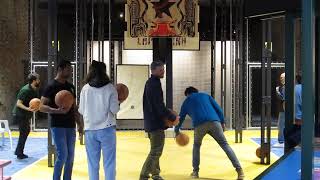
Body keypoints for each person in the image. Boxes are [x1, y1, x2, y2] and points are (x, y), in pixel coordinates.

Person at [174, 87, 244, 180]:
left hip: (199, 125)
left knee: (196, 146)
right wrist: (222, 122)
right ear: (196, 91)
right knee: (225, 145)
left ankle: (195, 172)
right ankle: (240, 171)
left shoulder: (186, 101)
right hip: (215, 122)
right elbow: (219, 109)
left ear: (187, 94)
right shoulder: (206, 96)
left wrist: (177, 131)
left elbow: (181, 118)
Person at [40, 60, 83, 180]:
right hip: (57, 125)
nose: (70, 71)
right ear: (60, 69)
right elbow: (41, 106)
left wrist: (79, 124)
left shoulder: (71, 87)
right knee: (62, 155)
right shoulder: (51, 86)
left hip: (70, 126)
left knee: (70, 157)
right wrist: (56, 111)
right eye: (68, 69)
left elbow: (74, 108)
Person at [78, 60, 120, 180]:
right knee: (109, 162)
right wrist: (119, 102)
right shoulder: (110, 88)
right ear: (104, 71)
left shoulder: (85, 89)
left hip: (90, 130)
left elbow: (81, 110)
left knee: (92, 164)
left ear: (91, 71)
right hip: (107, 129)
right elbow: (114, 109)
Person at [140, 61, 179, 180]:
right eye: (161, 70)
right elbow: (158, 105)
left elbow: (155, 105)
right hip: (155, 124)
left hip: (151, 122)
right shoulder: (154, 84)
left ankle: (155, 173)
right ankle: (144, 175)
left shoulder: (150, 82)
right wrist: (172, 117)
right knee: (156, 151)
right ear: (153, 70)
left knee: (154, 149)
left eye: (163, 69)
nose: (163, 72)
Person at [13, 72, 40, 159]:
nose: (39, 81)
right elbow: (18, 103)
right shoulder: (25, 90)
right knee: (24, 132)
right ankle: (19, 153)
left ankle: (19, 152)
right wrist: (28, 109)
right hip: (20, 114)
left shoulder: (33, 89)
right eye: (38, 79)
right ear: (34, 81)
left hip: (25, 115)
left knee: (25, 132)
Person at [284, 74, 302, 151]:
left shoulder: (294, 88)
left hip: (295, 117)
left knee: (288, 133)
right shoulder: (304, 89)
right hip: (301, 117)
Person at [274, 73, 285, 147]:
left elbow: (282, 98)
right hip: (284, 109)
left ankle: (281, 141)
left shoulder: (284, 87)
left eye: (282, 77)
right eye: (280, 77)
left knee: (281, 125)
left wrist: (277, 91)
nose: (281, 79)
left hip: (283, 110)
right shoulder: (284, 87)